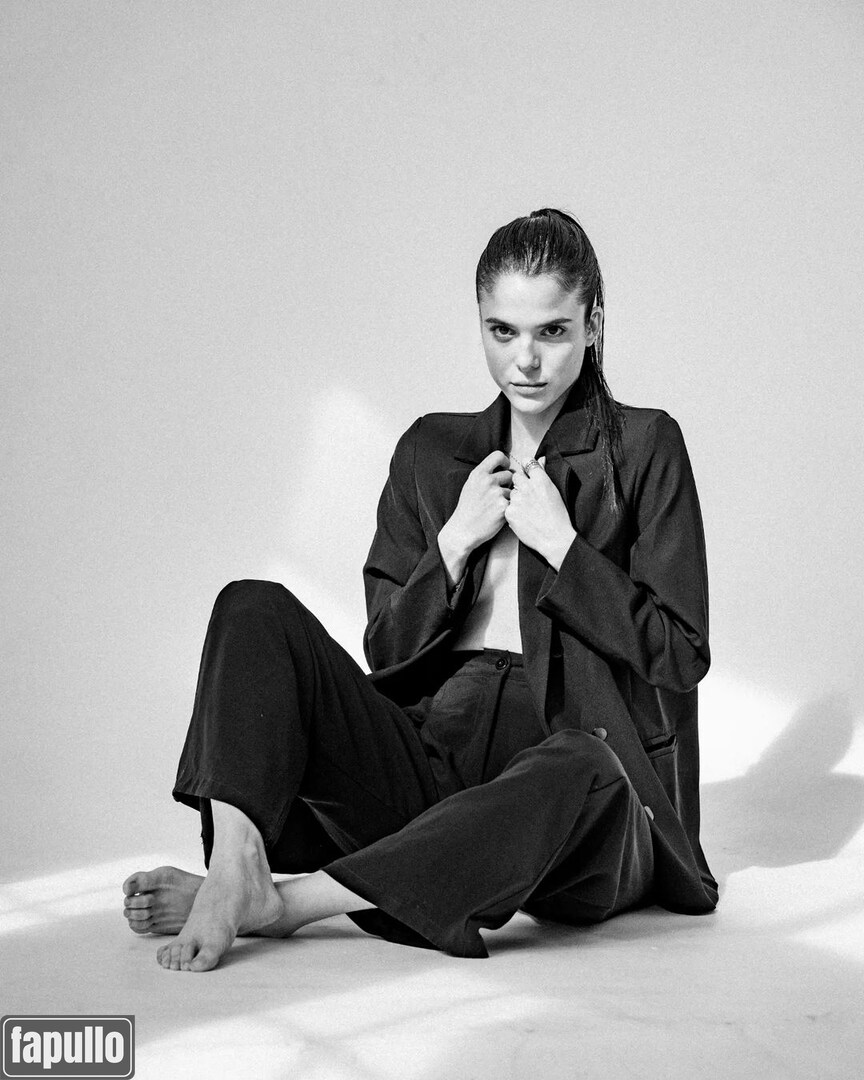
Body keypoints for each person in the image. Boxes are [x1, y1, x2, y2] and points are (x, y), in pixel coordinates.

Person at [122, 208, 717, 972]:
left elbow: (681, 652)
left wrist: (564, 549)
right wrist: (453, 544)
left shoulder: (644, 446)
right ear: (480, 324)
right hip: (435, 762)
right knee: (251, 605)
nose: (526, 360)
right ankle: (238, 863)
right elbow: (387, 650)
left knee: (583, 763)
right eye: (502, 331)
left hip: (580, 805)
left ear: (593, 325)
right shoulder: (432, 451)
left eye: (552, 331)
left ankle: (289, 903)